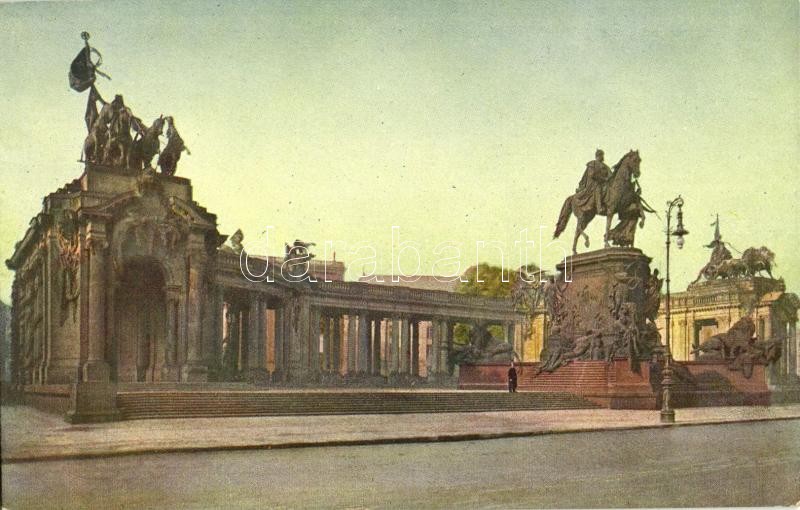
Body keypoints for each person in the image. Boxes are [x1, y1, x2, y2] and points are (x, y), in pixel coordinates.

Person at [575, 149, 612, 215]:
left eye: (602, 155)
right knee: (598, 188)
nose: (602, 157)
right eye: (601, 155)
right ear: (597, 156)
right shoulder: (592, 163)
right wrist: (604, 179)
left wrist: (610, 178)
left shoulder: (605, 166)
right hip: (593, 183)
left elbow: (610, 174)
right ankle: (599, 207)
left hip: (603, 183)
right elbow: (592, 175)